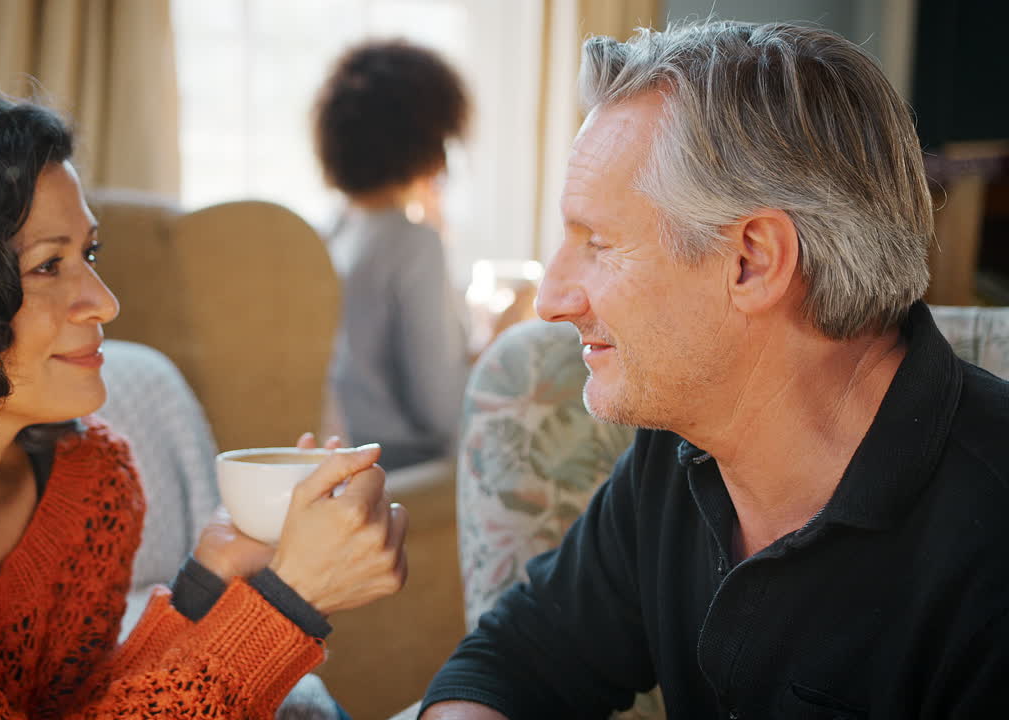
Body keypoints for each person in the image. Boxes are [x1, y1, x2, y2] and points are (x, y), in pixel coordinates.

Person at [0, 81, 407, 718]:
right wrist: (286, 606)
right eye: (49, 265)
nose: (105, 302)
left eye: (91, 253)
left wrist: (211, 587)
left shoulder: (90, 487)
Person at [422, 21, 1009, 719]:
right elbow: (513, 662)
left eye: (600, 244)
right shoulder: (678, 454)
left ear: (752, 261)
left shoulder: (991, 549)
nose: (551, 300)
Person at [313, 39, 472, 471]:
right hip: (403, 466)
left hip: (339, 446)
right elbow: (441, 413)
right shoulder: (413, 243)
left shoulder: (330, 232)